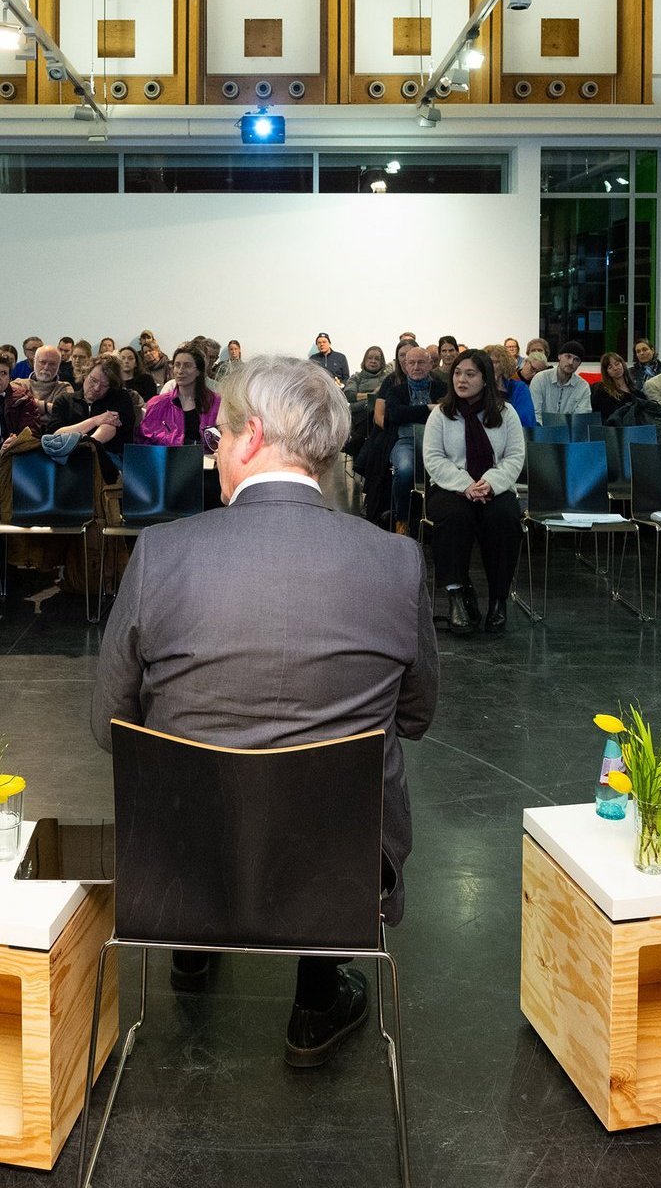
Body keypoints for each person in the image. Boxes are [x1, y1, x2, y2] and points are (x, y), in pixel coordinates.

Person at [92, 356, 436, 1068]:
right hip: (337, 871)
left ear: (250, 437)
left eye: (216, 436)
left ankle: (191, 950)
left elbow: (108, 724)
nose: (213, 450)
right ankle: (316, 1002)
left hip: (182, 865)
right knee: (354, 763)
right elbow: (416, 715)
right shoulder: (396, 562)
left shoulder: (161, 553)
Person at [422, 350, 527, 634]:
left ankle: (498, 599)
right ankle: (457, 597)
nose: (461, 380)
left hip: (494, 485)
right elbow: (434, 458)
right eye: (457, 373)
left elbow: (514, 456)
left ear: (486, 379)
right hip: (450, 486)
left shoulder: (506, 413)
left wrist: (490, 482)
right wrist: (465, 484)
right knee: (454, 517)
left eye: (470, 374)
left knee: (504, 518)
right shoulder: (441, 414)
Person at [372, 344, 445, 528]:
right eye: (411, 363)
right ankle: (401, 519)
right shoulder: (396, 391)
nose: (416, 367)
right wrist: (429, 408)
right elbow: (395, 415)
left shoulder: (442, 388)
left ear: (430, 365)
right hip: (406, 441)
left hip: (438, 442)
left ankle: (440, 520)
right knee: (405, 470)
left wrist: (410, 413)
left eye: (421, 362)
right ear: (405, 366)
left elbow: (448, 412)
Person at [47, 355, 138, 474]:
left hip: (107, 457)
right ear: (85, 374)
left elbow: (110, 428)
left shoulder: (120, 398)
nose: (96, 388)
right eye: (93, 380)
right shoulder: (64, 400)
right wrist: (95, 421)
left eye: (104, 385)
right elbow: (56, 435)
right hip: (66, 458)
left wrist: (84, 446)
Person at [140, 344, 220, 446]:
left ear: (198, 371)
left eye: (187, 365)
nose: (180, 371)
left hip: (206, 455)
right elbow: (146, 440)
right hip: (169, 455)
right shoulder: (157, 404)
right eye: (177, 365)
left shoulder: (216, 403)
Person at [531, 342, 592, 421]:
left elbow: (581, 418)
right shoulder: (540, 379)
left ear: (579, 364)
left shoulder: (583, 386)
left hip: (570, 428)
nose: (571, 362)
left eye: (576, 359)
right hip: (541, 427)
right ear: (559, 356)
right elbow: (535, 413)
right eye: (568, 356)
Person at [22, 345, 76, 412]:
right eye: (42, 362)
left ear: (58, 366)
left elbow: (64, 412)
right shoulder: (19, 384)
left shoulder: (64, 388)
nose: (46, 367)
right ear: (34, 362)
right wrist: (48, 407)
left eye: (52, 364)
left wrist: (30, 404)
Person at [590, 351, 638, 418]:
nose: (615, 368)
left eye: (617, 364)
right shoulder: (601, 391)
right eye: (610, 367)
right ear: (607, 373)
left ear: (622, 364)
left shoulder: (636, 392)